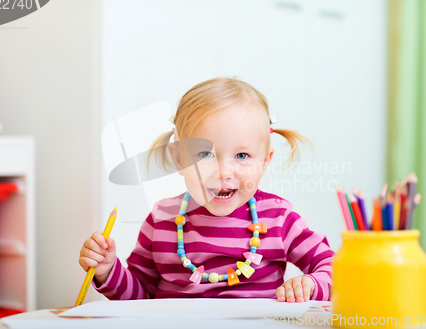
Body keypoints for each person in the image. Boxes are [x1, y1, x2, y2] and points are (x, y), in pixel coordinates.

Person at [79, 77, 334, 302]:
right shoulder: (161, 220)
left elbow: (334, 266)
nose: (224, 171)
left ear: (264, 162)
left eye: (242, 155)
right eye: (205, 153)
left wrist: (311, 284)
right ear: (179, 159)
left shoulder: (278, 218)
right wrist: (107, 271)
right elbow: (139, 297)